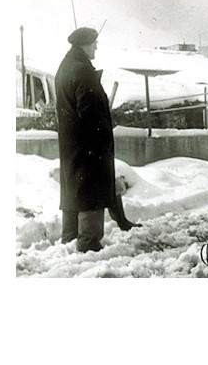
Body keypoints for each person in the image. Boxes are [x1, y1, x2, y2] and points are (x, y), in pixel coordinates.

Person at [55, 26, 139, 252]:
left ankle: (70, 238)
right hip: (89, 147)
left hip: (71, 145)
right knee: (90, 190)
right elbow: (90, 113)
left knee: (74, 188)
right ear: (85, 44)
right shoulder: (82, 70)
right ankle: (88, 244)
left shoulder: (65, 67)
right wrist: (102, 138)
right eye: (95, 43)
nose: (96, 47)